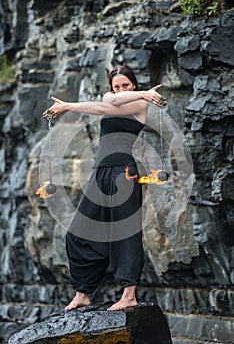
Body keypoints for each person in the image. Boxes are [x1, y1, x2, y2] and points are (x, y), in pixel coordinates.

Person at [43, 65, 166, 311]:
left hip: (124, 173)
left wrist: (69, 105)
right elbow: (106, 102)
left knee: (125, 234)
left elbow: (105, 102)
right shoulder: (127, 99)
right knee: (77, 233)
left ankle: (129, 294)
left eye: (126, 85)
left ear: (135, 86)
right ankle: (83, 292)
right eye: (116, 86)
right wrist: (67, 106)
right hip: (100, 173)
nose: (120, 90)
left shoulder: (140, 105)